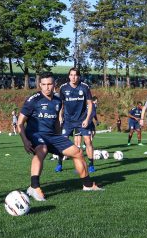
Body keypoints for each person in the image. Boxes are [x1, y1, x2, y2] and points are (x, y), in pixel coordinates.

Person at [18, 73, 102, 202]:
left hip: (52, 136)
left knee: (78, 152)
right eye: (44, 84)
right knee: (42, 149)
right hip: (35, 133)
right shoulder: (33, 100)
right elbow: (19, 123)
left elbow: (56, 122)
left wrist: (60, 139)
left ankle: (88, 185)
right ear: (40, 85)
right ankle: (34, 186)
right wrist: (25, 140)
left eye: (50, 84)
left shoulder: (58, 101)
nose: (47, 87)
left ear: (54, 85)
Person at [57, 68, 95, 172]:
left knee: (88, 141)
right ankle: (59, 163)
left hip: (82, 120)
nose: (73, 77)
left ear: (79, 77)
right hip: (68, 121)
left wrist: (87, 119)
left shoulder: (84, 87)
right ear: (69, 76)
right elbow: (61, 105)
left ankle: (91, 164)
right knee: (63, 142)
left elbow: (90, 104)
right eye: (71, 75)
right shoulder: (63, 88)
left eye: (76, 75)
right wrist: (60, 118)